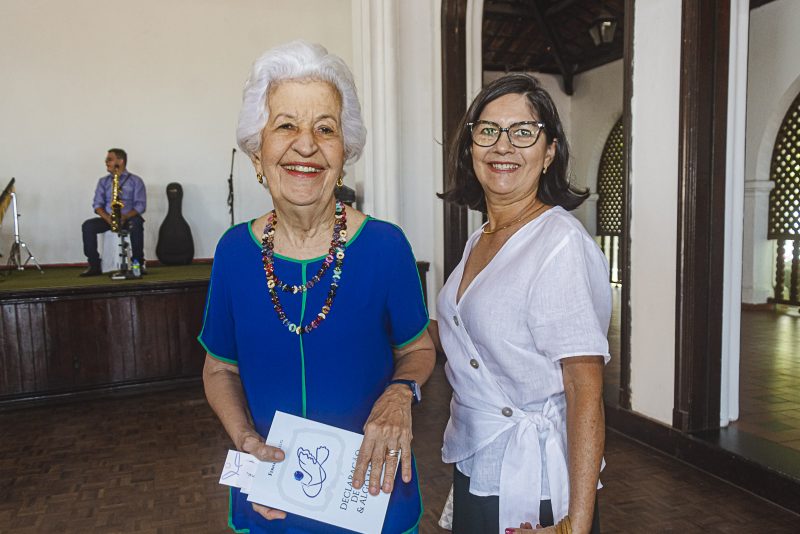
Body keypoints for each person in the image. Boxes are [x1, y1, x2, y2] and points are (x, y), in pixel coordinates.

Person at [199, 41, 435, 534]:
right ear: (256, 151)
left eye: (324, 129)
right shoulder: (234, 253)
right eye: (286, 125)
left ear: (343, 155)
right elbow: (219, 368)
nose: (305, 144)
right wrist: (245, 440)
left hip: (374, 497)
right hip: (271, 502)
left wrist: (398, 395)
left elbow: (419, 349)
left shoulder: (386, 247)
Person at [429, 73, 611, 534]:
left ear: (549, 152)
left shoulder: (558, 243)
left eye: (523, 132)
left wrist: (576, 525)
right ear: (471, 148)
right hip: (480, 458)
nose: (502, 146)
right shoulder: (482, 238)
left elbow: (584, 390)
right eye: (488, 130)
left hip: (532, 477)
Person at [80, 148, 146, 276]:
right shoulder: (103, 182)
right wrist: (108, 218)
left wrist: (126, 216)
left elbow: (141, 206)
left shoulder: (136, 181)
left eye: (109, 159)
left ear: (120, 161)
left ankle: (138, 263)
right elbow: (97, 204)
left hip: (128, 218)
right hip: (109, 219)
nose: (106, 162)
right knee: (88, 226)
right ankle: (94, 265)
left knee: (137, 223)